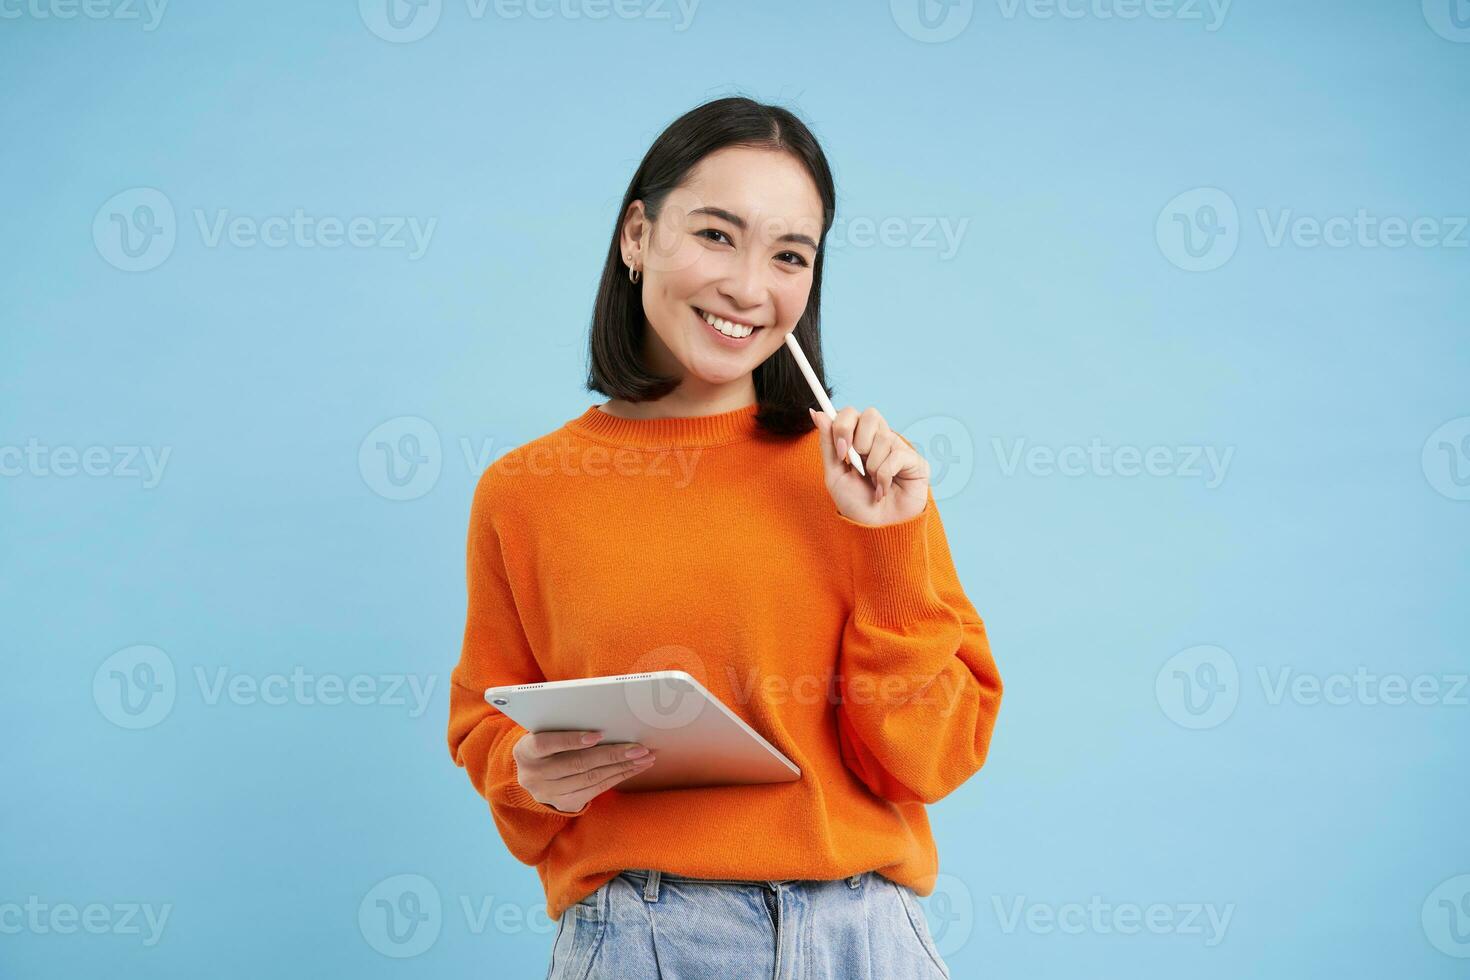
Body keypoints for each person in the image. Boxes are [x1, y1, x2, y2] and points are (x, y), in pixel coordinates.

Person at [447, 95, 1002, 979]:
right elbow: (488, 727)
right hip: (643, 942)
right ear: (637, 235)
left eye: (790, 255)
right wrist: (525, 773)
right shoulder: (523, 494)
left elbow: (926, 761)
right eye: (716, 235)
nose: (750, 287)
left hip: (866, 941)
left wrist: (890, 549)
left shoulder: (873, 482)